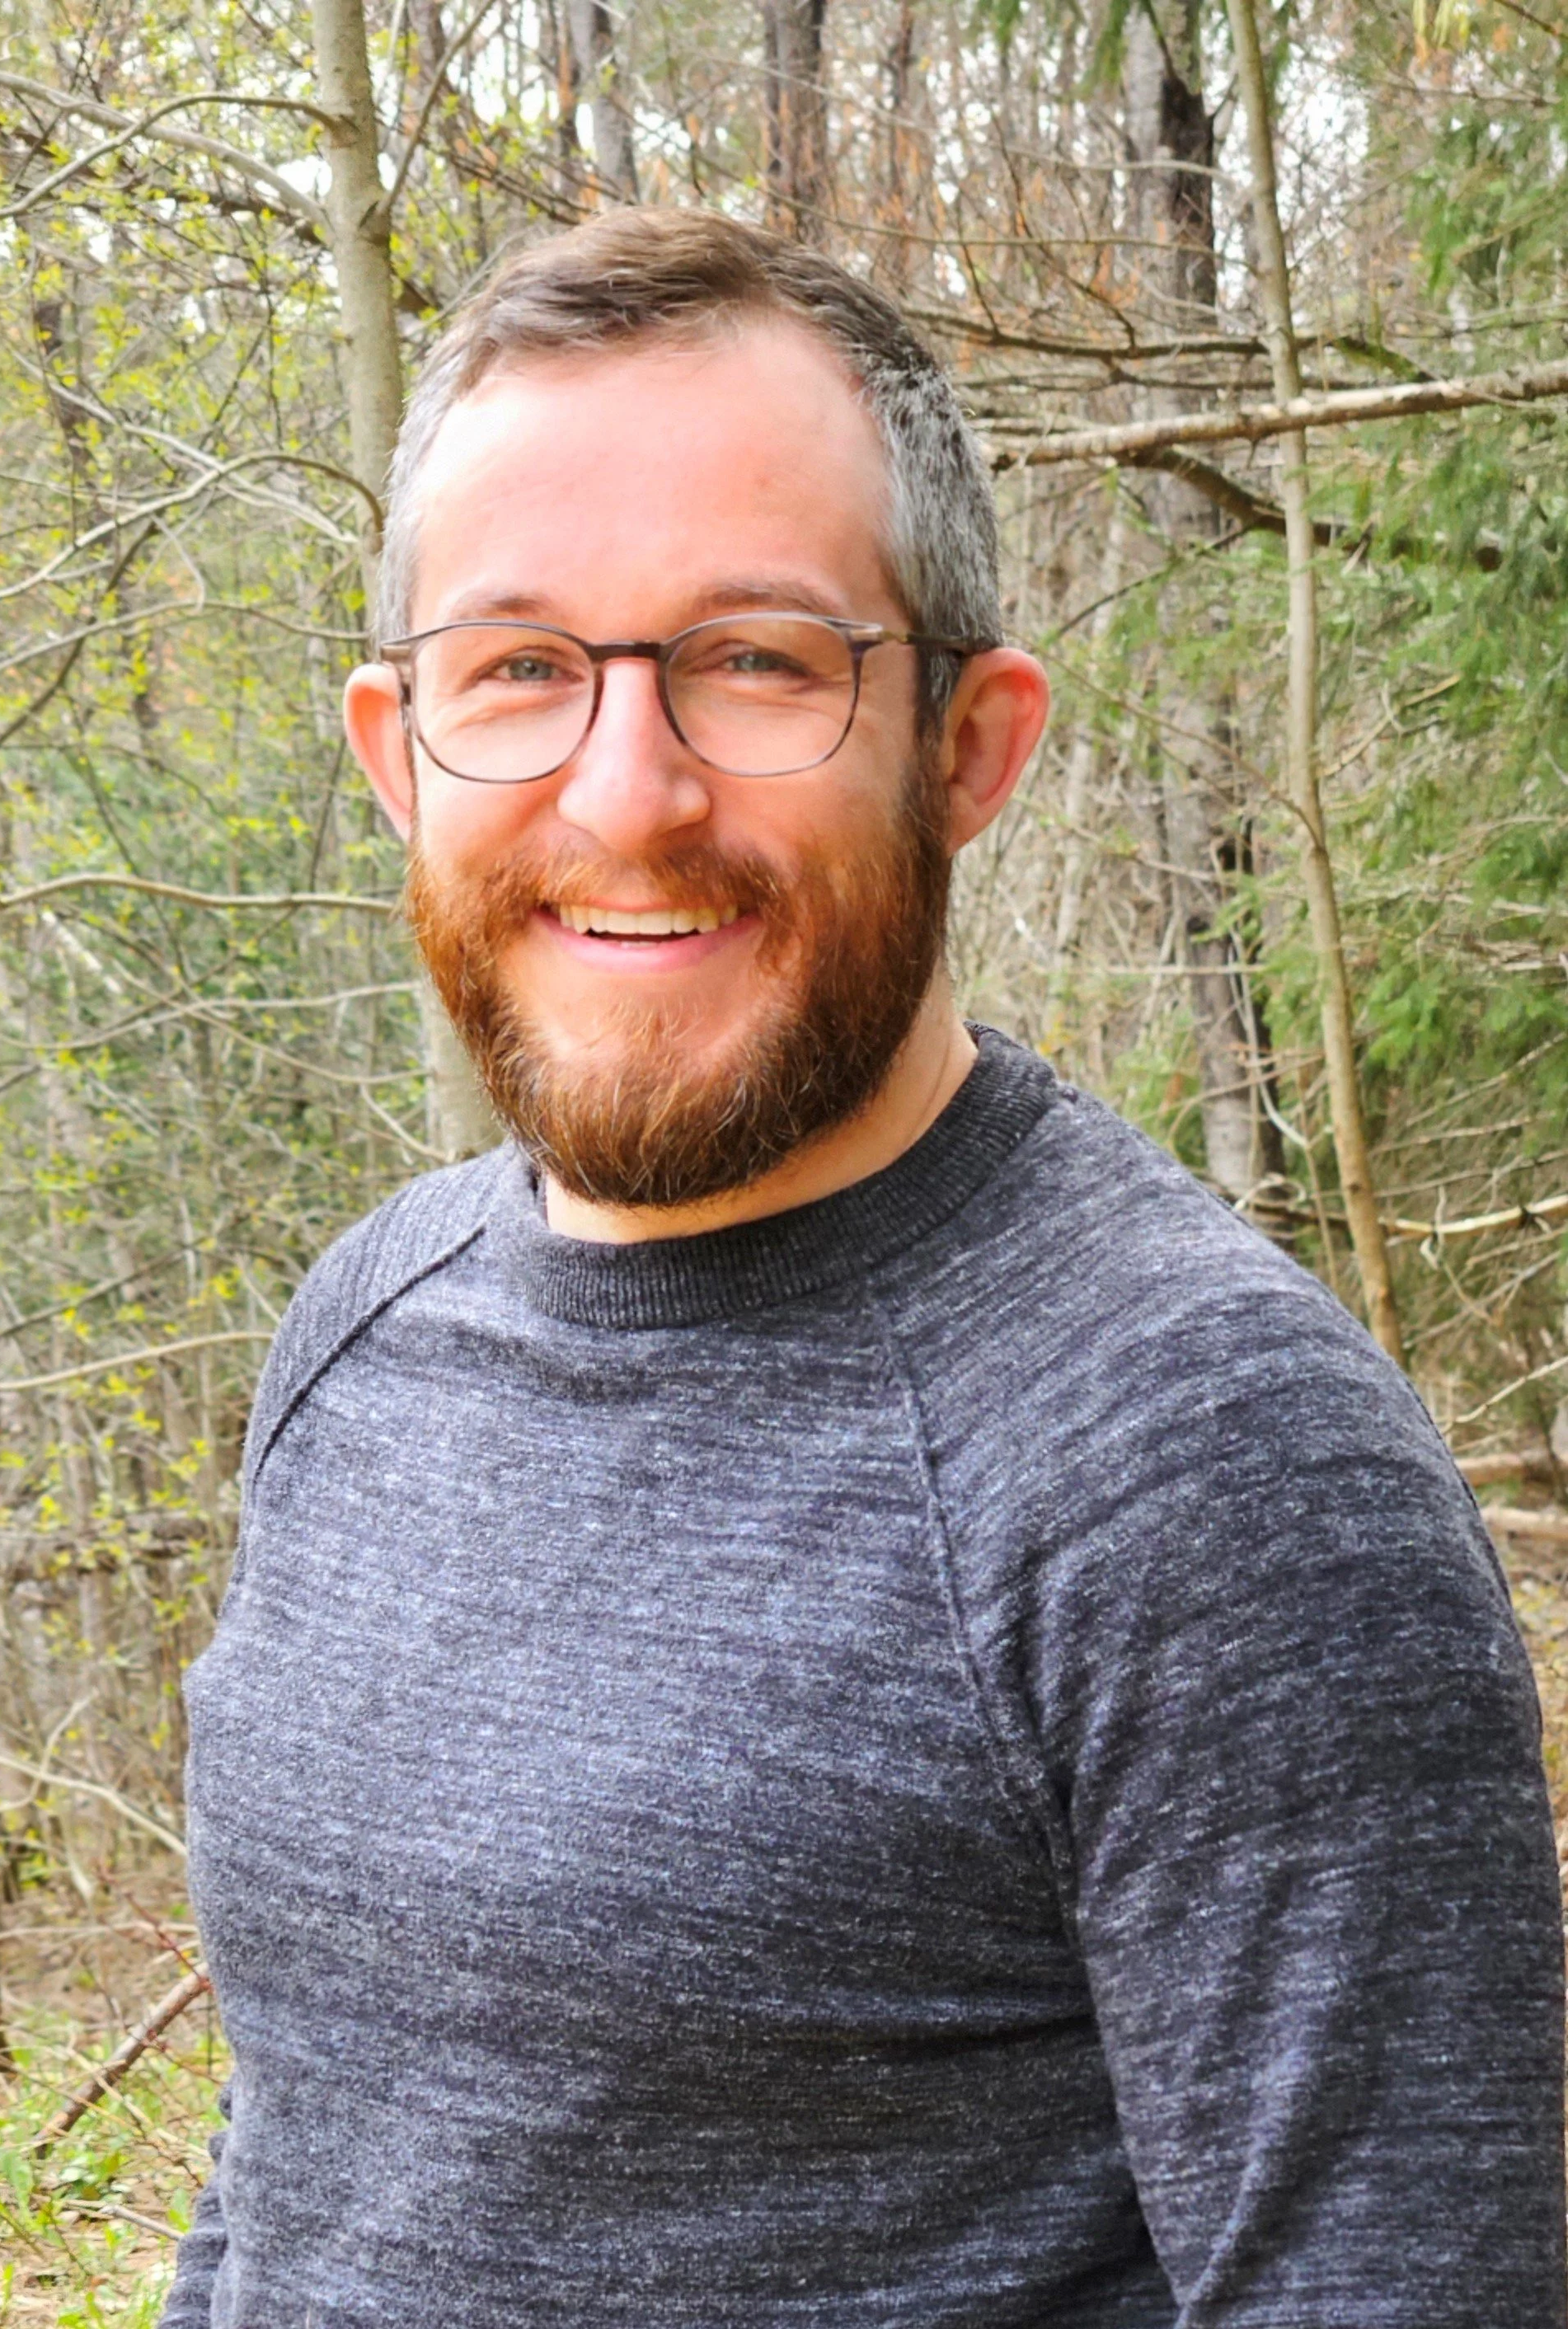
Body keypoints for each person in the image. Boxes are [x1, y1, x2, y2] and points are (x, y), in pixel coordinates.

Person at [161, 208, 1564, 2328]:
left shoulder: (1214, 1468)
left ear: (970, 745)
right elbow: (294, 2169)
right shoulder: (362, 1330)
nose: (627, 797)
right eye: (521, 667)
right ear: (397, 749)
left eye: (755, 659)